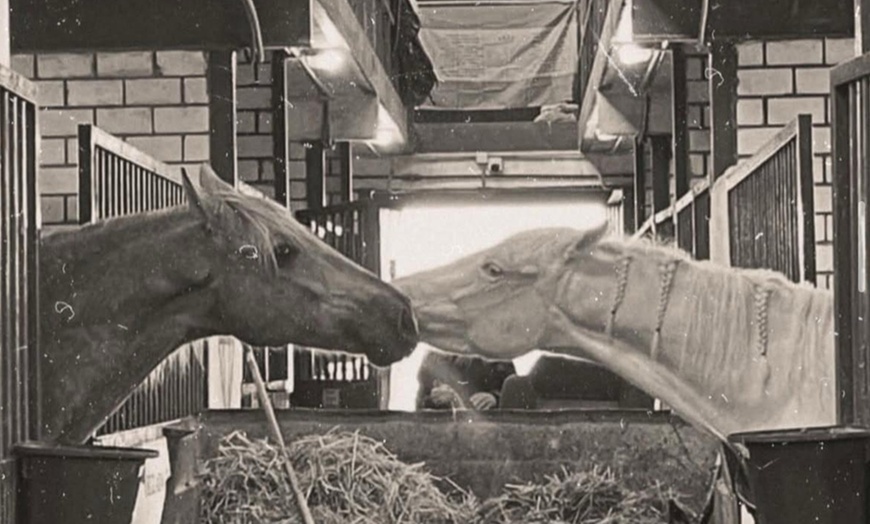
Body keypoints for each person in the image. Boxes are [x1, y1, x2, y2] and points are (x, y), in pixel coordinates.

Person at [416, 349, 516, 411]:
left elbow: (513, 396)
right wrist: (437, 397)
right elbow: (421, 405)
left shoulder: (498, 353)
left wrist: (495, 398)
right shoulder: (434, 357)